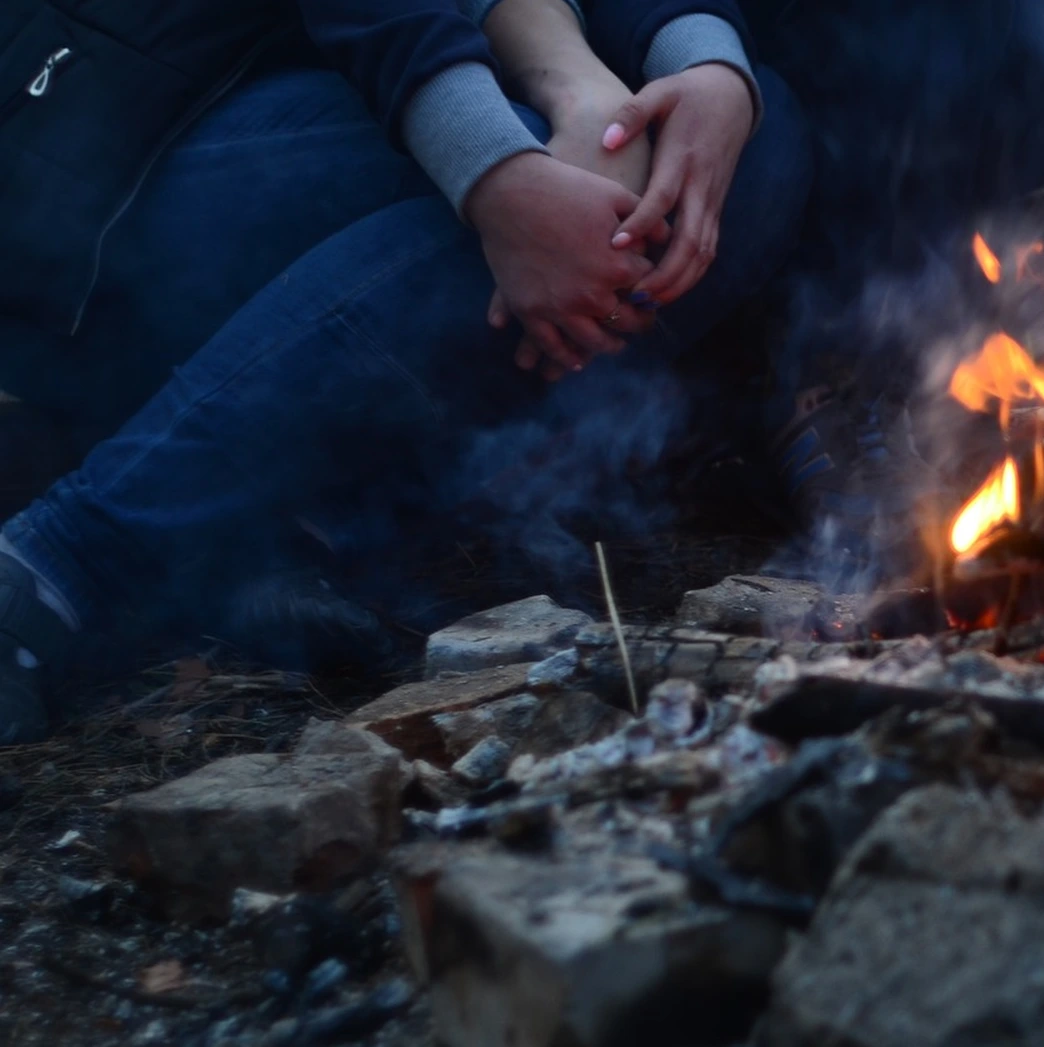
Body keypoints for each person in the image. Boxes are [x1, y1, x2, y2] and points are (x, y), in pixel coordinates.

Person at [0, 0, 808, 743]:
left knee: (736, 139)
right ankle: (57, 566)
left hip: (353, 93)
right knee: (530, 157)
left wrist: (704, 65)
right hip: (111, 132)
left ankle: (288, 516)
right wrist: (497, 174)